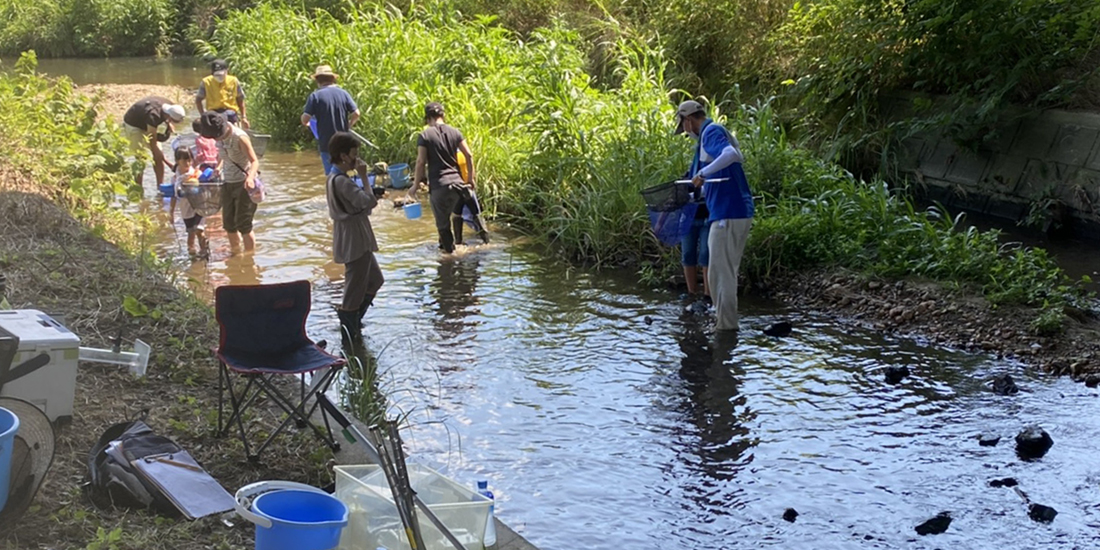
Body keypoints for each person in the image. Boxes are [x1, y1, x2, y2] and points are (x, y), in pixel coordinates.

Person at [675, 100, 754, 331]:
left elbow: (731, 155)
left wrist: (703, 172)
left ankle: (726, 330)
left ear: (689, 120)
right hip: (731, 212)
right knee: (722, 273)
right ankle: (725, 324)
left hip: (728, 213)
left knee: (720, 276)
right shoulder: (713, 136)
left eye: (684, 126)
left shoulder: (711, 132)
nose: (685, 132)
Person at [325, 132, 384, 345]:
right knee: (353, 290)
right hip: (354, 239)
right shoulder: (342, 182)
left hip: (355, 235)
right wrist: (365, 177)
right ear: (343, 156)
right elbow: (369, 202)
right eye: (354, 154)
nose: (357, 158)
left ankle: (355, 321)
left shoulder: (334, 177)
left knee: (375, 280)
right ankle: (350, 338)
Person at [408, 102, 477, 253]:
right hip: (458, 185)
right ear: (443, 115)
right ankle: (461, 245)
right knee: (456, 214)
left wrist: (415, 186)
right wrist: (471, 179)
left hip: (439, 186)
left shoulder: (425, 135)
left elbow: (420, 162)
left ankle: (450, 260)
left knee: (443, 226)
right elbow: (469, 155)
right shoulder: (455, 131)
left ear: (427, 118)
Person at [200, 111, 260, 253]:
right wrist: (218, 168)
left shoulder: (240, 137)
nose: (215, 139)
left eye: (216, 136)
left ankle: (249, 259)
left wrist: (250, 177)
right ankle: (236, 254)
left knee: (244, 224)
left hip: (243, 184)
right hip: (227, 183)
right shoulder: (218, 137)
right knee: (229, 224)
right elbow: (223, 155)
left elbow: (254, 161)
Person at [301, 65, 360, 175]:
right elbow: (356, 113)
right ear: (333, 79)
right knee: (349, 173)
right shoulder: (343, 93)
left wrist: (308, 123)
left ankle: (334, 192)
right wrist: (349, 124)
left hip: (327, 143)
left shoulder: (315, 96)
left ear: (317, 80)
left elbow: (305, 119)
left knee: (332, 176)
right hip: (344, 142)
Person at [122, 96, 186, 188]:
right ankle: (138, 188)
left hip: (146, 121)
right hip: (133, 124)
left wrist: (169, 123)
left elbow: (165, 117)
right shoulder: (154, 116)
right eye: (173, 121)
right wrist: (163, 158)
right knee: (141, 158)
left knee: (158, 158)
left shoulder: (171, 106)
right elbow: (152, 141)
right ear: (169, 116)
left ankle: (160, 186)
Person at [167, 147, 209, 258]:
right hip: (185, 209)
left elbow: (207, 189)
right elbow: (173, 196)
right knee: (191, 233)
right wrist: (171, 212)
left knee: (199, 230)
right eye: (184, 160)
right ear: (177, 161)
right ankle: (192, 253)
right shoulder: (175, 178)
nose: (187, 163)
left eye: (189, 160)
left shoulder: (197, 174)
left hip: (199, 207)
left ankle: (205, 251)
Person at [195, 59, 249, 128]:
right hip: (213, 114)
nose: (219, 77)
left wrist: (243, 117)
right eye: (216, 75)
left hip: (230, 113)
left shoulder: (233, 81)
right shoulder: (206, 82)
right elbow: (198, 100)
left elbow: (240, 99)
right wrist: (203, 116)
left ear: (227, 71)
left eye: (221, 75)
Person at [681, 186, 710, 303]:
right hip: (688, 220)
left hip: (708, 219)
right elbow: (675, 198)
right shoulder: (687, 178)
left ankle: (708, 295)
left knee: (706, 254)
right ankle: (691, 293)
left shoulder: (714, 174)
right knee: (687, 254)